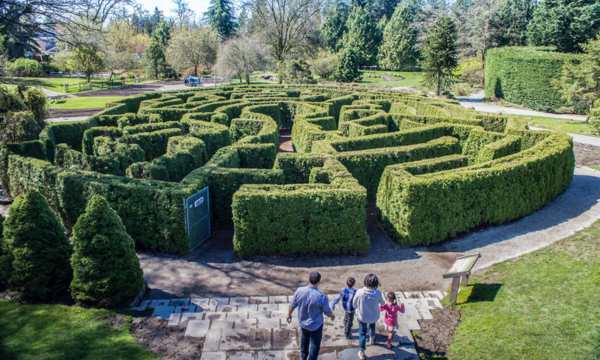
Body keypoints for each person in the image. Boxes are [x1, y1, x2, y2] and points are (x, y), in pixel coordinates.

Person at [287, 272, 335, 360]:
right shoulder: (321, 296)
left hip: (303, 323)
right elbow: (327, 311)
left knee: (304, 341)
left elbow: (292, 304)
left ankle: (303, 356)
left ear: (309, 279)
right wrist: (332, 316)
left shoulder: (299, 291)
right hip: (316, 326)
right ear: (318, 281)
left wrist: (289, 315)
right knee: (315, 346)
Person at [352, 273, 385, 360]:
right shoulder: (377, 293)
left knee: (362, 333)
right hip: (373, 316)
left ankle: (362, 351)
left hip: (362, 316)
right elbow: (382, 303)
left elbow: (354, 304)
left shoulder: (360, 292)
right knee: (372, 326)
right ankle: (372, 338)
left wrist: (357, 308)